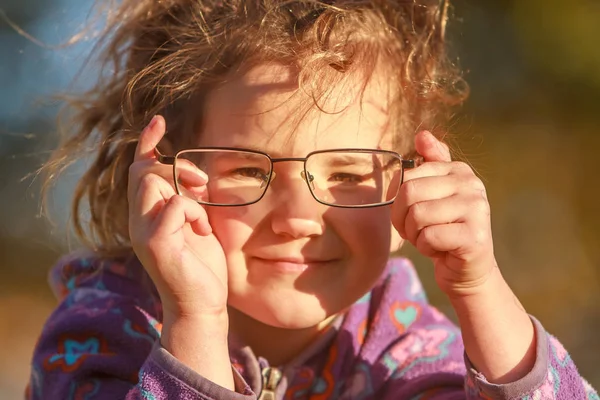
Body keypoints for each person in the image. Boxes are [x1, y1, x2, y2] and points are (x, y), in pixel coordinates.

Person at [28, 1, 598, 399]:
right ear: (167, 178)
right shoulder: (100, 331)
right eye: (249, 168)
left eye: (349, 173)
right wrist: (194, 320)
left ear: (410, 185)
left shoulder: (404, 342)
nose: (299, 219)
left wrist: (479, 288)